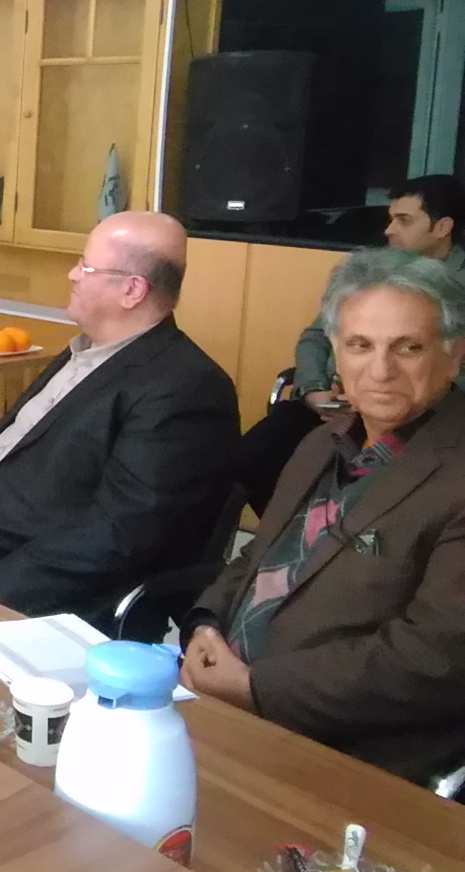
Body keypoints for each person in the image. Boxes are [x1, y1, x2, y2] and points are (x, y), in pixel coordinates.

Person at [182, 248, 465, 785]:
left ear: (455, 355)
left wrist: (256, 688)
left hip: (344, 754)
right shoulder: (322, 443)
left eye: (408, 347)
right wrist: (205, 625)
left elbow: (434, 658)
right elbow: (257, 557)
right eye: (360, 345)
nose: (380, 370)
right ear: (335, 353)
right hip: (224, 709)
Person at [0, 212, 240, 639]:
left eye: (85, 267)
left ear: (132, 290)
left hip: (34, 584)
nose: (71, 274)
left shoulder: (185, 388)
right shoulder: (85, 351)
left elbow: (121, 531)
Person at [238, 174, 465, 515]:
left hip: (412, 416)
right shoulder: (369, 274)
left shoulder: (455, 288)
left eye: (404, 220)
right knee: (250, 458)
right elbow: (315, 338)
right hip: (329, 404)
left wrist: (376, 395)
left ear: (442, 227)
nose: (389, 230)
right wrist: (314, 389)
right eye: (390, 219)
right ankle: (300, 530)